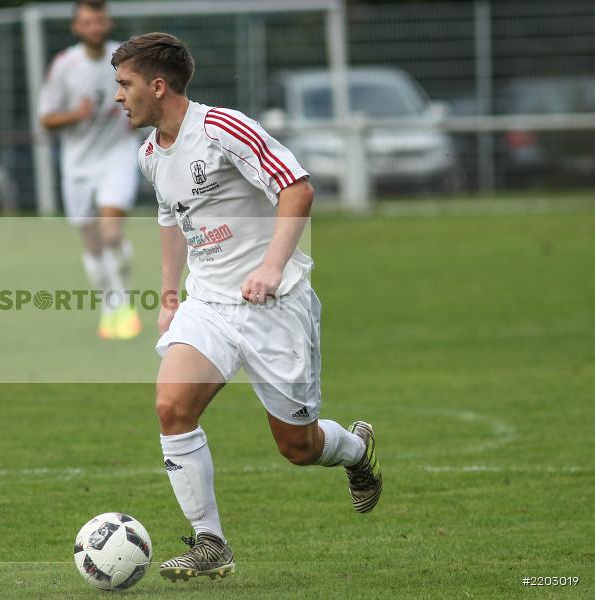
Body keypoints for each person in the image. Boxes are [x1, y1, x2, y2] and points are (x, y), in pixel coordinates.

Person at [111, 33, 383, 582]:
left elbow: (298, 189)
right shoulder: (149, 155)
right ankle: (211, 542)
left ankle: (355, 451)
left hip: (274, 307)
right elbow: (172, 222)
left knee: (298, 448)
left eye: (125, 84)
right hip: (208, 303)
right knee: (171, 408)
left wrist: (272, 267)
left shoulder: (222, 130)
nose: (118, 96)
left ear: (157, 86)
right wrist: (169, 296)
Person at [38, 0, 141, 339]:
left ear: (107, 23)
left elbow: (144, 97)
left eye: (99, 19)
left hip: (117, 155)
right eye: (87, 21)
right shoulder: (65, 65)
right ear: (77, 27)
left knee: (111, 232)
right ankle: (108, 307)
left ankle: (124, 305)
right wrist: (75, 115)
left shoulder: (124, 59)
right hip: (78, 163)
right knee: (92, 242)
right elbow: (47, 118)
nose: (94, 26)